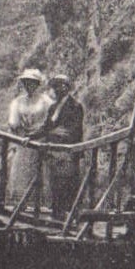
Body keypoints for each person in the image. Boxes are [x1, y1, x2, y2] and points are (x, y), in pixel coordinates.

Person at [37, 73, 85, 220]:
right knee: (55, 183)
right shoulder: (53, 107)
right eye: (56, 86)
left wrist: (56, 134)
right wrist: (31, 136)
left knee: (69, 183)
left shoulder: (75, 106)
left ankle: (71, 216)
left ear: (67, 88)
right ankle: (57, 214)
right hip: (54, 151)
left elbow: (73, 130)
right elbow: (46, 127)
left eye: (62, 86)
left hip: (68, 152)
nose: (58, 89)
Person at [6, 68, 51, 206]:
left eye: (32, 82)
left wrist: (37, 131)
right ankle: (20, 204)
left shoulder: (46, 101)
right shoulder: (18, 102)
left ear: (38, 84)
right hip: (22, 142)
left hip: (40, 141)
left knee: (41, 172)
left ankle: (40, 205)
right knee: (20, 172)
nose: (28, 85)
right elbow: (13, 122)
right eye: (26, 82)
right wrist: (20, 127)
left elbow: (49, 122)